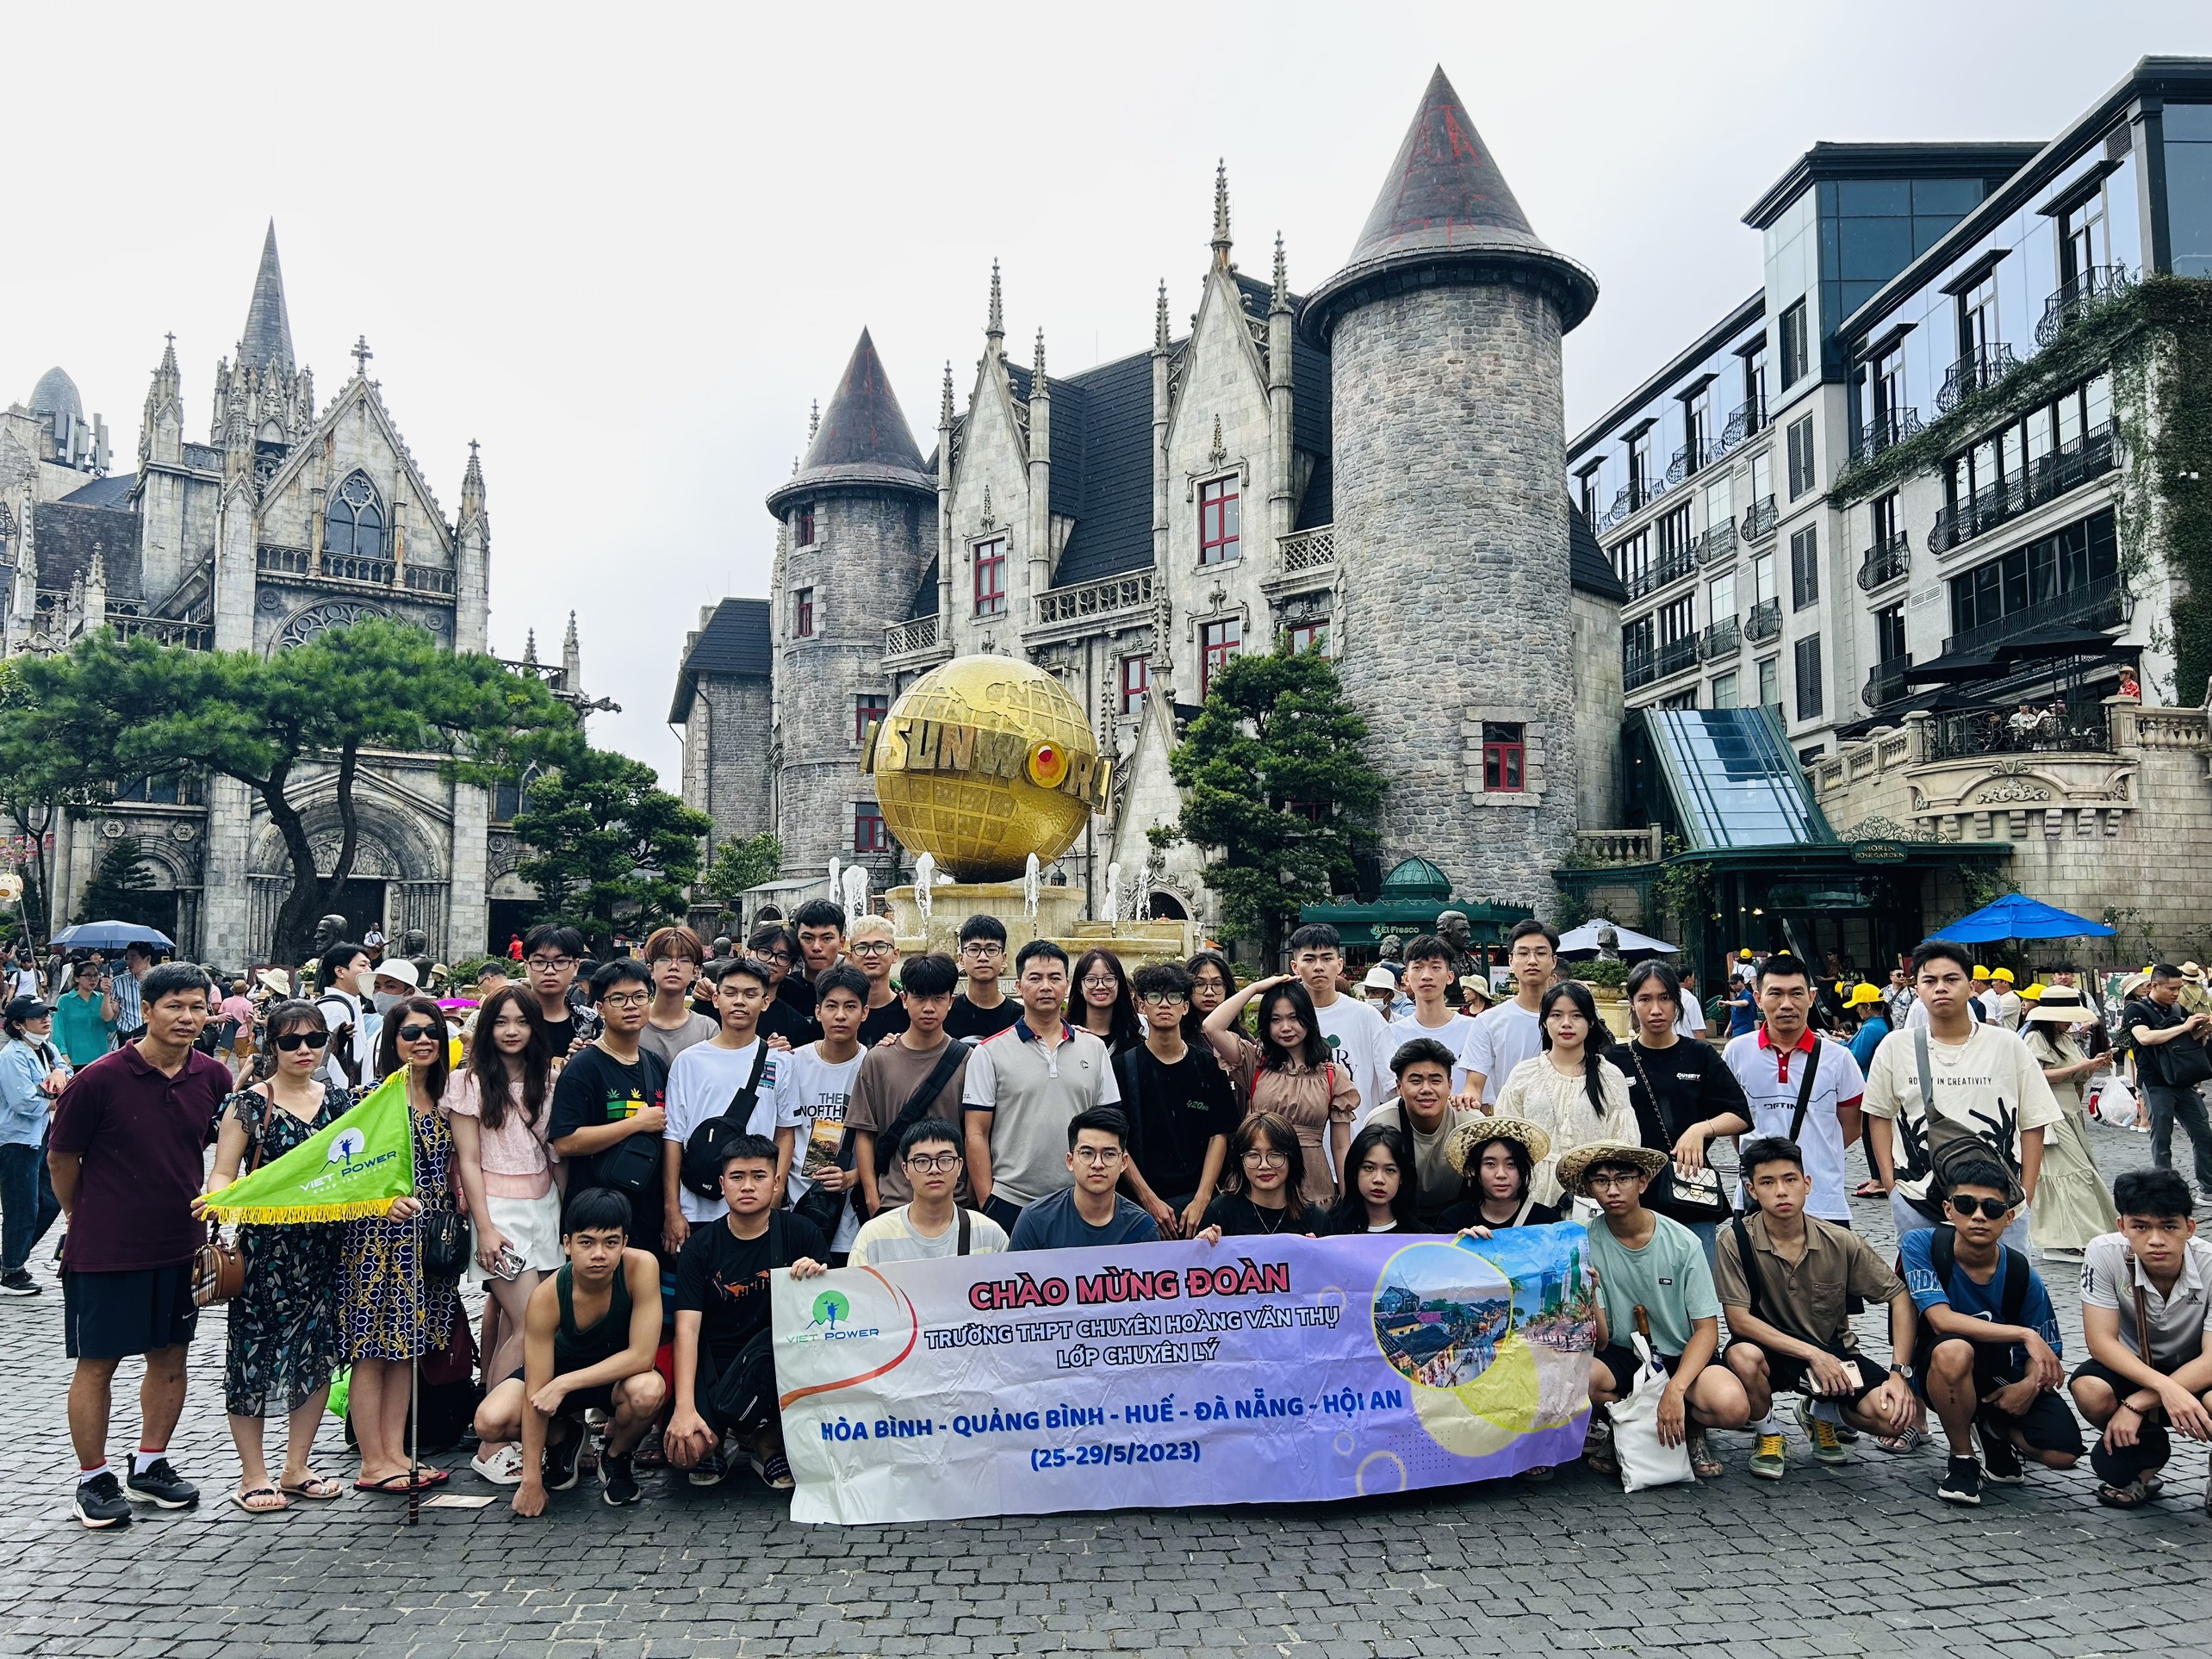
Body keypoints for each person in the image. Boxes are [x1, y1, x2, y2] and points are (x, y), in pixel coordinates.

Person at [47, 963, 228, 1527]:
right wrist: (81, 1215)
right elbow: (61, 1159)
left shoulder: (213, 1077)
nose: (188, 1017)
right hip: (106, 1247)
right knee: (98, 1363)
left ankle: (150, 1464)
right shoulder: (98, 1080)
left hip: (179, 1241)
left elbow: (215, 1146)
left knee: (171, 1358)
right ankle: (92, 1477)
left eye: (197, 1006)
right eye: (175, 1005)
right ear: (145, 1010)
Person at [198, 1000, 349, 1512]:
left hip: (326, 1246)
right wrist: (218, 1199)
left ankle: (296, 1466)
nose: (304, 1050)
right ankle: (253, 1474)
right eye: (291, 1041)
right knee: (252, 1356)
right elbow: (224, 1170)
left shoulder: (339, 1102)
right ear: (271, 1047)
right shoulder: (248, 1105)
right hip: (267, 1249)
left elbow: (360, 1167)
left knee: (318, 1354)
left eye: (315, 1039)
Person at [1716, 1137, 1918, 1481]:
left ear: (1807, 1184)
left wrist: (1899, 1374)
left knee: (1894, 1416)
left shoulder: (1840, 1241)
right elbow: (1738, 1321)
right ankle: (1768, 1433)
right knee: (1742, 1356)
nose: (1782, 1191)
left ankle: (1821, 1413)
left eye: (1790, 1179)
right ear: (1752, 1190)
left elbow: (1899, 1296)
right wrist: (1813, 1355)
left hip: (1833, 1352)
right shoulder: (1735, 1240)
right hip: (1770, 1349)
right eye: (1768, 1182)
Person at [1900, 1159, 2081, 1506]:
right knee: (1954, 1350)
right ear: (1949, 1210)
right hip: (1939, 1367)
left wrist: (2028, 1387)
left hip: (2000, 1375)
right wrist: (2024, 1334)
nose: (1979, 1216)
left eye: (1992, 1208)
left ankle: (1992, 1430)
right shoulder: (1922, 1245)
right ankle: (1963, 1458)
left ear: (2009, 1217)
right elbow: (1941, 1319)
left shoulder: (2021, 1273)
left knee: (2062, 1454)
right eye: (1967, 1205)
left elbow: (2046, 1354)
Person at [1863, 939, 2062, 1254]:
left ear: (1971, 987)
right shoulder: (1895, 1047)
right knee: (1924, 1285)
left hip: (1998, 1206)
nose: (1940, 988)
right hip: (1918, 1202)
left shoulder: (2007, 1045)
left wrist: (2025, 1194)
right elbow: (1879, 1116)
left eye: (1951, 979)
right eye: (1930, 980)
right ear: (1917, 989)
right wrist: (1893, 1189)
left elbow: (2034, 1121)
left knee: (2003, 1283)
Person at [475, 1187, 665, 1513]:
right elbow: (536, 1392)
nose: (599, 1254)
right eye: (586, 1243)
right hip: (556, 1374)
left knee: (649, 1391)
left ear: (624, 1243)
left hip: (615, 1378)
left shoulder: (642, 1267)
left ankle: (616, 1456)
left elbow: (642, 1356)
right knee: (489, 1421)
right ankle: (563, 1437)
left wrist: (564, 1384)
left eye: (610, 1242)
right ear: (567, 1244)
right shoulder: (546, 1297)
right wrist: (531, 1482)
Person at [342, 993, 464, 1494]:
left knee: (408, 1350)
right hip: (378, 1239)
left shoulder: (446, 1097)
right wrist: (380, 1200)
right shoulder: (371, 1099)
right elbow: (345, 1169)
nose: (423, 1040)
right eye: (411, 1033)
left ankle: (396, 1452)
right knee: (373, 1349)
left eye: (432, 1031)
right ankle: (372, 1460)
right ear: (392, 1042)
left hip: (430, 1242)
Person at [1569, 1141, 1750, 1481]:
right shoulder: (1583, 1241)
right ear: (1590, 1189)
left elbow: (1706, 1330)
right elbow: (1603, 1340)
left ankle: (1692, 1429)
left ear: (1643, 1183)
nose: (1612, 1190)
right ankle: (1623, 1425)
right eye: (1601, 1181)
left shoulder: (1682, 1242)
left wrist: (1676, 1389)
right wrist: (1589, 1291)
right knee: (1579, 1381)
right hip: (1623, 1353)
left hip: (1680, 1352)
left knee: (1732, 1407)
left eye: (1623, 1179)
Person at [446, 985, 564, 1486]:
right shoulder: (467, 1083)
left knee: (540, 1323)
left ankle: (513, 1426)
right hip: (498, 1210)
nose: (511, 1031)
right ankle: (492, 1440)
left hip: (545, 1206)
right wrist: (485, 1228)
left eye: (521, 1021)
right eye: (501, 1022)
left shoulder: (548, 1080)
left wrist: (568, 1218)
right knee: (527, 1323)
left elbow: (556, 1153)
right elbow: (468, 1160)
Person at [664, 1136, 829, 1490]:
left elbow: (828, 1323)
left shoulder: (801, 1233)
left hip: (778, 1362)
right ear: (722, 1184)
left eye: (759, 1176)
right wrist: (684, 1408)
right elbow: (687, 1331)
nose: (748, 1186)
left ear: (777, 1182)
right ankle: (719, 1439)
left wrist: (817, 1278)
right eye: (737, 1177)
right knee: (688, 1450)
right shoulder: (700, 1246)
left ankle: (767, 1441)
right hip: (717, 1365)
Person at [2069, 1169, 2212, 1508]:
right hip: (2132, 1365)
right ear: (2122, 1226)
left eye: (2169, 1226)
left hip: (2197, 1368)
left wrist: (2138, 1403)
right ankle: (2143, 1464)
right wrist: (2162, 1389)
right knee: (2090, 1390)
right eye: (2141, 1227)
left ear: (2190, 1227)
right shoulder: (2104, 1252)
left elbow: (2211, 1360)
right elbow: (2100, 1341)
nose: (2156, 1240)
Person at [962, 941, 1121, 1233]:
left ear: (1067, 985)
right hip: (1011, 1199)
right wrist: (988, 1201)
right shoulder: (989, 1052)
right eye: (1035, 978)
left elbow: (1111, 1127)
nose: (1045, 986)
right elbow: (976, 1133)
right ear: (1018, 986)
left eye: (1054, 978)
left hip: (1082, 1199)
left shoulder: (1094, 1048)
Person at [1720, 954, 1865, 1231]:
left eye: (1796, 993)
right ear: (1758, 998)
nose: (1786, 1004)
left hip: (1823, 1201)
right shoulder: (1736, 1052)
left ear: (1811, 997)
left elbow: (1851, 1128)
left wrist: (1818, 1150)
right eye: (1775, 993)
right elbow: (1736, 1125)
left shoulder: (1839, 1059)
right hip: (1755, 1201)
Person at [1620, 961, 1750, 1258]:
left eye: (1665, 998)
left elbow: (1740, 1114)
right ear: (1632, 1004)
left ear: (1677, 1003)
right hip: (1632, 1195)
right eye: (1645, 999)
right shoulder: (1616, 1060)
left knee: (1698, 1279)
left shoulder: (1698, 1054)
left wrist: (1701, 1129)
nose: (1656, 1009)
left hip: (1690, 1188)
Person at [549, 960, 670, 1268]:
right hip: (596, 1217)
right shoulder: (583, 1067)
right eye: (618, 999)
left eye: (639, 996)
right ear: (601, 1008)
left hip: (646, 1210)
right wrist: (635, 1124)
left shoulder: (655, 1064)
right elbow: (565, 1142)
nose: (630, 1006)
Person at [1203, 974, 1358, 1210]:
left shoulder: (1331, 1075)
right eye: (1276, 1019)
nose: (1285, 1028)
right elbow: (1212, 1026)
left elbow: (1341, 1146)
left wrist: (1349, 1203)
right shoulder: (1255, 1063)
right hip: (1258, 1176)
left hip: (1311, 1182)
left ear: (1308, 1018)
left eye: (1294, 1018)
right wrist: (1255, 988)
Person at [661, 957, 779, 1247]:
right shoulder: (689, 1061)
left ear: (765, 1002)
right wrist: (673, 1209)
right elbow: (673, 1137)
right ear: (716, 999)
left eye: (750, 994)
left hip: (758, 1205)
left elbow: (786, 1132)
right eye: (730, 993)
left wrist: (775, 1196)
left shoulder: (780, 1061)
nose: (739, 1001)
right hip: (695, 1206)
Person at [1115, 962, 1237, 1239]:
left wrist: (1203, 1199)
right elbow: (1116, 1141)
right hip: (1139, 1206)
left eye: (1173, 996)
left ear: (1185, 1006)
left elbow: (1219, 1134)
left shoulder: (1208, 1065)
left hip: (1198, 1203)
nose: (1164, 1004)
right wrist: (1148, 1200)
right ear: (1142, 1005)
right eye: (1155, 996)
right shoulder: (1122, 1067)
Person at [849, 953, 974, 1219]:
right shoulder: (878, 1060)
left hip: (955, 1202)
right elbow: (865, 1133)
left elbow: (975, 1133)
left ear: (951, 1002)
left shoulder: (968, 1060)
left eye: (938, 998)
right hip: (894, 1202)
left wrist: (971, 1193)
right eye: (919, 998)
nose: (929, 1007)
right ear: (904, 999)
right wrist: (872, 1198)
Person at [1494, 981, 1637, 1208]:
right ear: (1544, 1021)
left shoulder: (1609, 1076)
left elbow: (1624, 1142)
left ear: (1591, 1021)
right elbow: (1505, 1138)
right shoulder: (1524, 1074)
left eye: (1576, 1015)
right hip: (1531, 1196)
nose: (1566, 1024)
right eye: (1556, 1015)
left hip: (1594, 1197)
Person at [774, 962, 869, 1257]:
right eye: (831, 1006)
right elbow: (782, 1131)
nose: (840, 1015)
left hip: (851, 1215)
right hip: (797, 1206)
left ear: (865, 1012)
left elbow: (883, 1142)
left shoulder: (874, 1065)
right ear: (818, 1012)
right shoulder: (793, 1062)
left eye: (850, 1006)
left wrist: (852, 1177)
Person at [2020, 988, 2118, 1257]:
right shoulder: (2035, 1037)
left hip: (2069, 1110)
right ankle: (2074, 1238)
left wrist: (2093, 1065)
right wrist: (2080, 1067)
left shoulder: (2064, 1037)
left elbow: (2076, 1077)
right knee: (2072, 1173)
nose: (2070, 1021)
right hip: (2049, 1113)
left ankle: (2076, 1237)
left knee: (2077, 1172)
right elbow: (2036, 1075)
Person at [847, 1118, 1010, 1265]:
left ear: (960, 1166)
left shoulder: (989, 1234)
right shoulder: (873, 1236)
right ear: (906, 1170)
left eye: (945, 1160)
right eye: (922, 1161)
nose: (934, 1169)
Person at [1007, 1109, 1160, 1250]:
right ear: (1070, 1161)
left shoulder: (1141, 1227)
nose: (1098, 1164)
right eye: (1087, 1153)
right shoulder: (1035, 1220)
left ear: (1124, 1163)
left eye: (1109, 1154)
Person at [2124, 964, 2212, 1202]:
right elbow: (2144, 1037)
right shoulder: (2136, 1010)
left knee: (2204, 1134)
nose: (2176, 993)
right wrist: (2184, 1026)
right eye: (2172, 988)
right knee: (2162, 1139)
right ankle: (2166, 1191)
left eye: (2179, 988)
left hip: (2183, 1080)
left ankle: (2208, 1189)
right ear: (2154, 985)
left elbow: (2189, 1041)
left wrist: (2202, 1031)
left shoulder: (2178, 1009)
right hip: (2155, 1082)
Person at [1360, 1037, 1476, 1217]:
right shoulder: (1381, 1122)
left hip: (1460, 1216)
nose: (1426, 1089)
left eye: (1435, 1080)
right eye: (1415, 1081)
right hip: (1395, 1214)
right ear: (1399, 1087)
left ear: (1450, 1086)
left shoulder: (1470, 1124)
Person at [1, 996, 70, 1295]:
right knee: (22, 1206)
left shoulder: (46, 1048)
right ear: (18, 1025)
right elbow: (24, 1102)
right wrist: (55, 1095)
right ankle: (11, 1270)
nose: (45, 1019)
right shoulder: (11, 1056)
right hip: (16, 1140)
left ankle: (11, 1257)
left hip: (42, 1135)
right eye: (36, 1016)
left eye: (46, 1014)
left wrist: (58, 1073)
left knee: (50, 1200)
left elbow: (67, 1073)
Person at [1286, 923, 1391, 1116]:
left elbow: (1392, 1086)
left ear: (1340, 964)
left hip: (1357, 1131)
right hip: (1298, 1133)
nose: (1319, 967)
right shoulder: (1284, 1020)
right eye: (1309, 959)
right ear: (1295, 967)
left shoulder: (1367, 1017)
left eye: (1327, 958)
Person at [1462, 919, 1557, 1107]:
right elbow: (1473, 1086)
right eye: (1523, 953)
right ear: (1511, 961)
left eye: (1541, 953)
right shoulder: (1488, 1021)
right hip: (1511, 1120)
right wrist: (1468, 1100)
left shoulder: (1573, 1018)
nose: (1532, 961)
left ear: (1553, 960)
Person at [1200, 1113, 1328, 1238]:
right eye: (1253, 1155)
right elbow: (1199, 1252)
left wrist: (1319, 1251)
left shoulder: (1316, 1220)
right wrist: (1202, 1246)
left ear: (1292, 1158)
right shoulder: (1220, 1213)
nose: (1264, 1165)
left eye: (1275, 1154)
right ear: (1240, 1161)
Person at [1389, 934, 1477, 1097]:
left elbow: (1481, 1099)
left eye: (1435, 967)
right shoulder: (1392, 1034)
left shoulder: (1473, 1031)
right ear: (1406, 978)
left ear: (1450, 976)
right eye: (1418, 967)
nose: (1426, 976)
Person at [1436, 1119, 1559, 1233]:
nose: (1501, 1174)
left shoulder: (1547, 1222)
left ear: (1525, 1167)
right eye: (1490, 1164)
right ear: (1472, 1169)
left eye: (1511, 1164)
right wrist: (1459, 1243)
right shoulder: (1454, 1220)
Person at [638, 925, 717, 1068]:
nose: (674, 966)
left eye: (684, 960)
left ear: (695, 972)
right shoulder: (632, 1021)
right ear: (651, 970)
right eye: (665, 959)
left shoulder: (708, 1029)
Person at [520, 925, 595, 1057]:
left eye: (560, 961)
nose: (550, 971)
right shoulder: (506, 1018)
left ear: (575, 966)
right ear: (526, 967)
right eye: (539, 962)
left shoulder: (589, 1021)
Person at [1329, 1122, 1418, 1233]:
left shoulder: (1419, 1236)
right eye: (1369, 1168)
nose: (1379, 1180)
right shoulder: (1329, 1229)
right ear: (1355, 1172)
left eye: (1390, 1170)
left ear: (1402, 1177)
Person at [312, 942, 375, 1093]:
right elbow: (331, 1061)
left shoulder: (350, 1003)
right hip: (339, 1091)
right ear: (340, 971)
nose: (369, 970)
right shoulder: (335, 1009)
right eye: (362, 965)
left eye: (369, 965)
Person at [947, 914, 1020, 1041]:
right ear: (961, 959)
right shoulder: (946, 1013)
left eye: (991, 950)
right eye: (974, 949)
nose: (983, 958)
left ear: (1003, 959)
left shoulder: (1021, 1017)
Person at [747, 924, 818, 1047]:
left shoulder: (797, 1025)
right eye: (764, 952)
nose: (772, 961)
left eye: (782, 957)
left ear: (791, 966)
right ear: (747, 953)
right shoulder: (720, 1004)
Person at [848, 916, 910, 1048]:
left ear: (895, 955)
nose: (871, 954)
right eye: (862, 947)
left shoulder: (910, 1011)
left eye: (880, 946)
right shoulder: (839, 1014)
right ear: (849, 957)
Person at [1070, 947, 1142, 1057]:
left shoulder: (1135, 1044)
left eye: (1109, 979)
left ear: (1119, 984)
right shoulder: (1066, 1038)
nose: (1100, 986)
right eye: (1091, 979)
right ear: (1080, 987)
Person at [789, 898, 850, 1017]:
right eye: (808, 938)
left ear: (841, 943)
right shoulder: (783, 989)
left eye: (827, 938)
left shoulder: (853, 991)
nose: (816, 947)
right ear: (797, 940)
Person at [52, 962, 115, 1070]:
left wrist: (106, 995)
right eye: (88, 975)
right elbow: (58, 1029)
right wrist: (62, 1053)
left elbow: (111, 1026)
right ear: (77, 978)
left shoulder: (102, 998)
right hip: (74, 1059)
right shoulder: (65, 1000)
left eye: (96, 975)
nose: (93, 979)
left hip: (99, 1058)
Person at [105, 941, 152, 1043]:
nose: (129, 962)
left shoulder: (160, 982)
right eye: (127, 958)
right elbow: (109, 1017)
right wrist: (106, 995)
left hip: (151, 1039)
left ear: (147, 959)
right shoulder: (118, 983)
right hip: (126, 1039)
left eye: (133, 958)